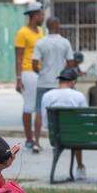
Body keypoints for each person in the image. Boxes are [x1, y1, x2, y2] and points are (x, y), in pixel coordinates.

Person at [31, 16, 75, 153]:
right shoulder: (65, 42)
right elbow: (71, 63)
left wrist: (43, 72)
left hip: (43, 82)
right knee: (59, 113)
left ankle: (36, 143)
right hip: (59, 83)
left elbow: (34, 64)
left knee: (38, 111)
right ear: (57, 26)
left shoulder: (40, 42)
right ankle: (58, 142)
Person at [41, 68, 88, 179]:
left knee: (74, 132)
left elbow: (46, 123)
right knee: (77, 132)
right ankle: (80, 167)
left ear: (59, 81)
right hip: (76, 137)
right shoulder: (79, 96)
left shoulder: (47, 96)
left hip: (56, 137)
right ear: (73, 81)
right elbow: (85, 120)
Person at [14, 1, 45, 152]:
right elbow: (18, 57)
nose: (43, 17)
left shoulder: (40, 31)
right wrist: (19, 78)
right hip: (27, 72)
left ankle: (35, 139)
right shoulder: (22, 33)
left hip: (39, 72)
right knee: (29, 106)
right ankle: (28, 139)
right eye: (41, 15)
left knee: (38, 106)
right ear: (34, 15)